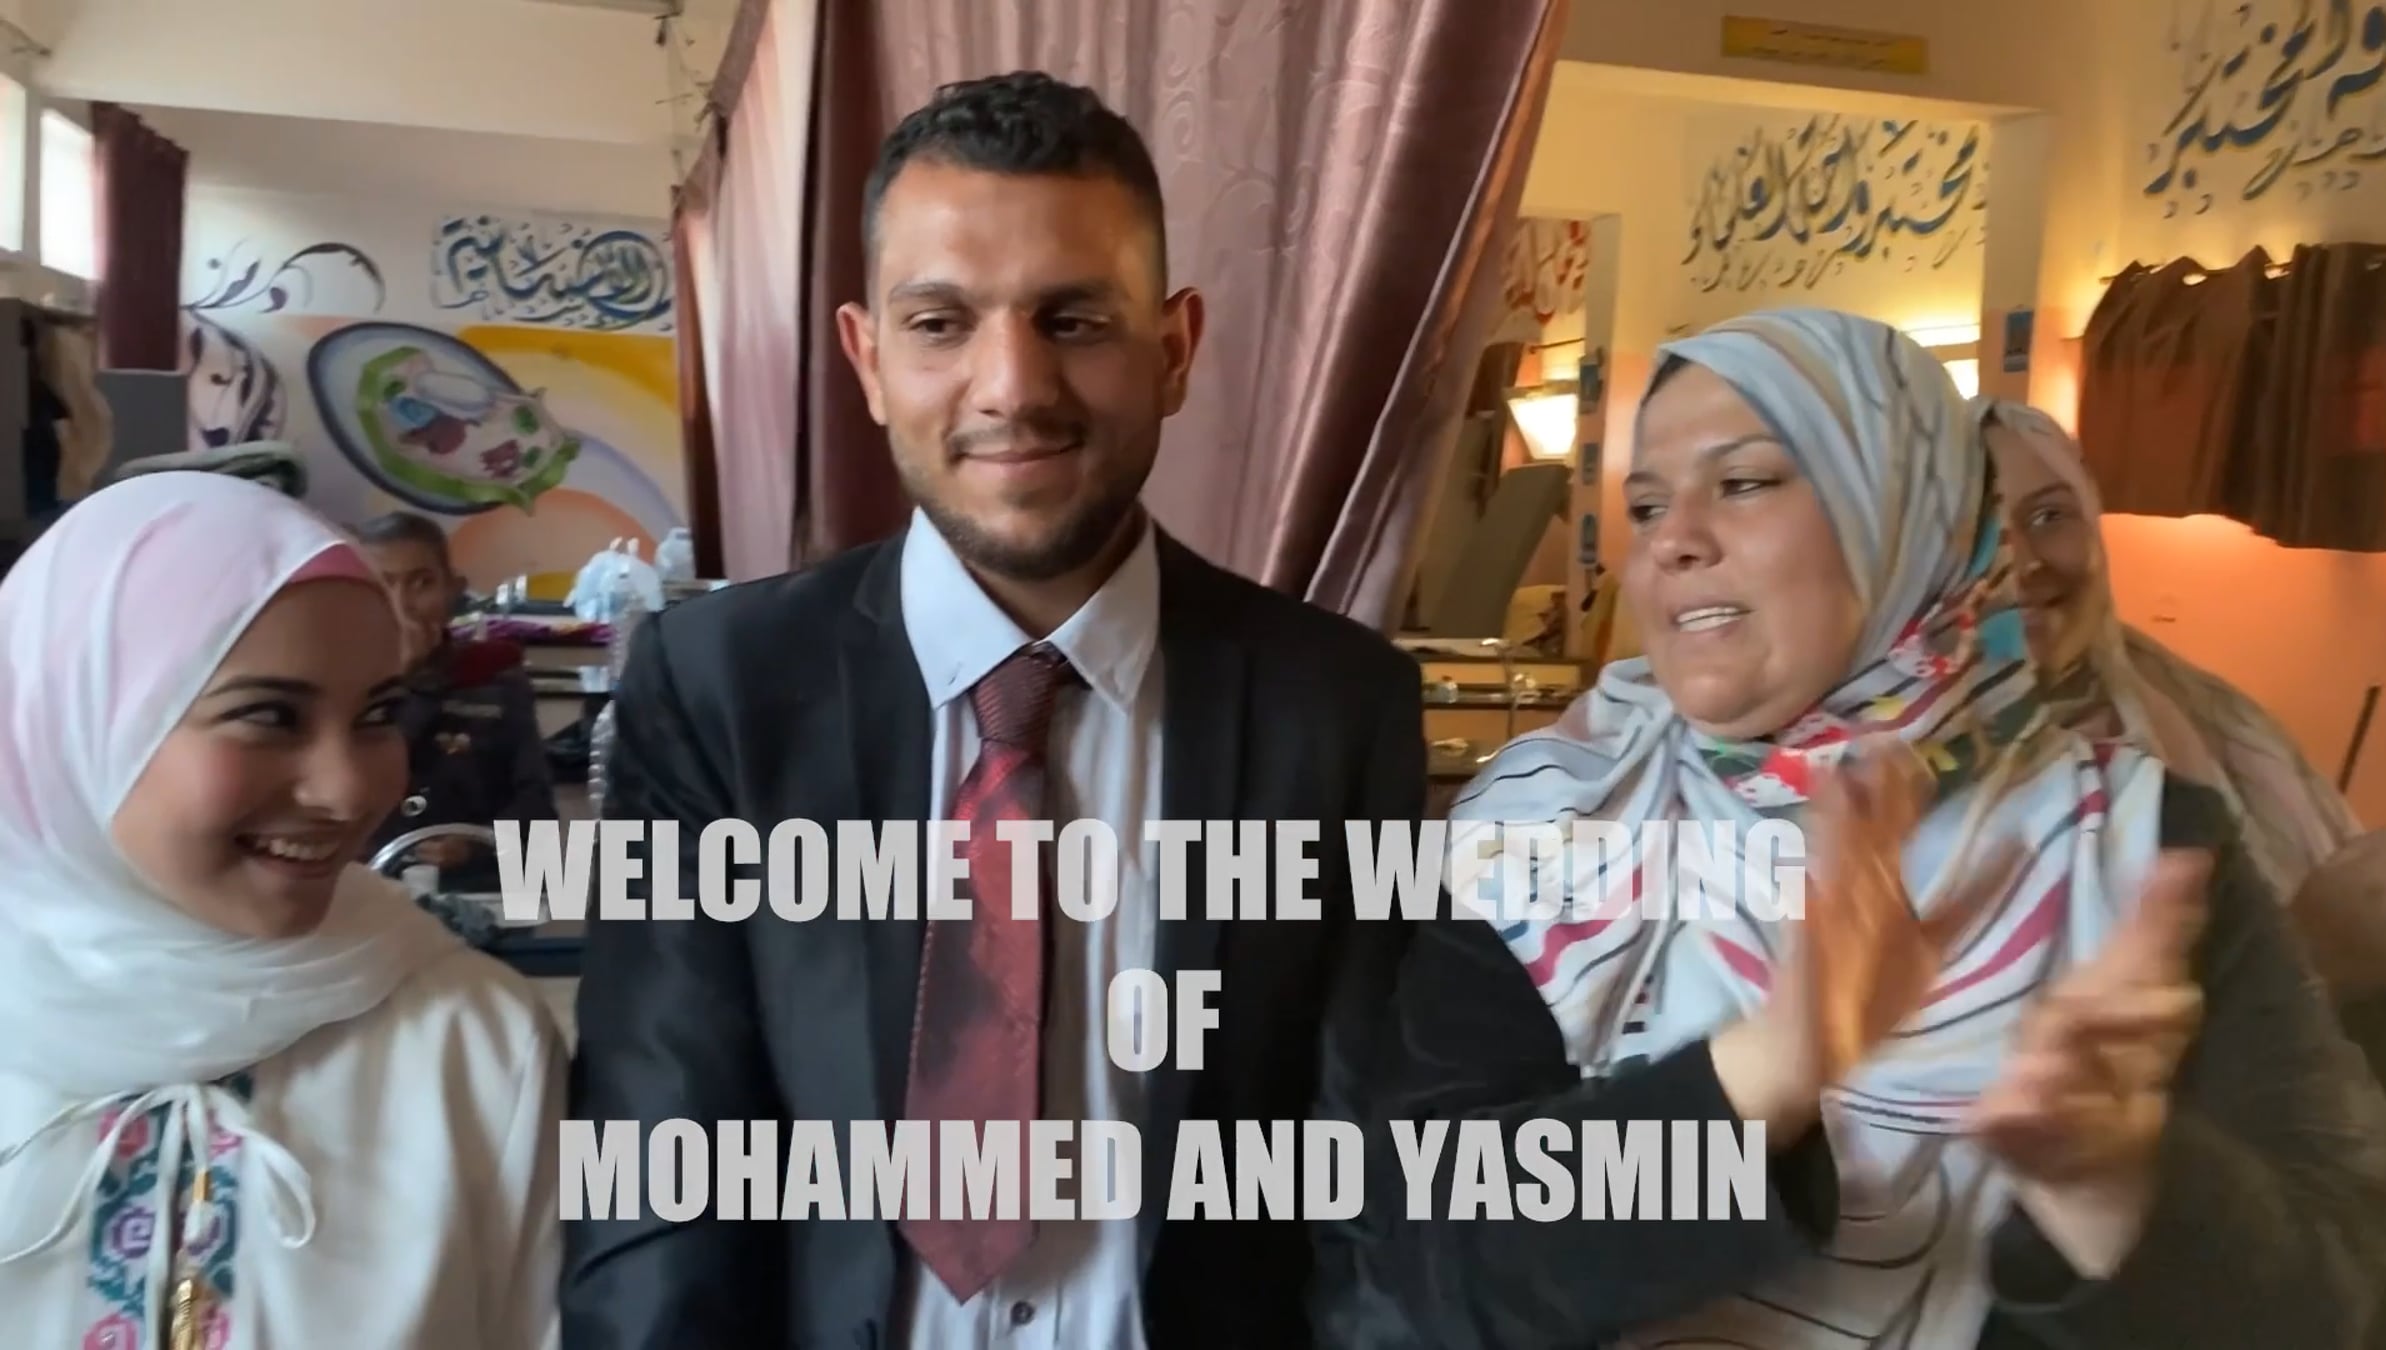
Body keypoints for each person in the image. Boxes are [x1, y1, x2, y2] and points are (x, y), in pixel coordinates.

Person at [559, 71, 1428, 1349]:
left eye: (1073, 319)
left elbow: (1369, 1185)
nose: (1011, 386)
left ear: (1174, 350)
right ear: (868, 358)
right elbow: (660, 1173)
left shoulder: (1337, 708)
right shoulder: (718, 690)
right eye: (940, 323)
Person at [1361, 309, 2386, 1347]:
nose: (1671, 539)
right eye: (1646, 503)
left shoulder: (2137, 839)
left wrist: (2123, 1185)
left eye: (1744, 482)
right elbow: (1417, 1264)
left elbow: (2345, 1302)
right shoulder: (1546, 826)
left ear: (1907, 511)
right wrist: (1764, 1072)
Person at [0, 473, 564, 1347]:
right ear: (79, 719)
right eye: (268, 715)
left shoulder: (472, 1046)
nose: (348, 791)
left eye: (378, 713)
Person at [1972, 397, 2361, 905]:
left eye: (2050, 516)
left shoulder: (2207, 715)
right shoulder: (1902, 764)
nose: (2023, 562)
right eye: (1979, 531)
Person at [352, 510, 558, 880]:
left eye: (422, 584)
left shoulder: (495, 678)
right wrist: (404, 683)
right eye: (383, 585)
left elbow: (537, 812)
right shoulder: (339, 684)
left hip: (476, 886)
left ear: (453, 589)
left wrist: (475, 848)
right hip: (368, 884)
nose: (402, 606)